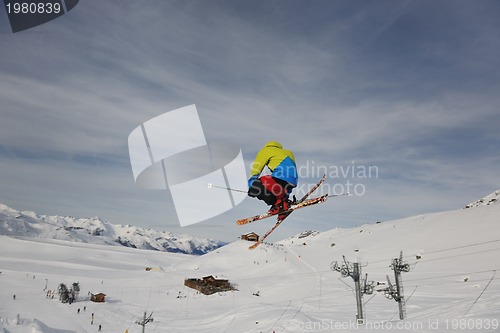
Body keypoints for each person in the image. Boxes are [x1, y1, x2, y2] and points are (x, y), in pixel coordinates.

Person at [247, 141, 298, 218]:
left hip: (280, 178)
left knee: (257, 184)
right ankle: (282, 205)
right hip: (293, 181)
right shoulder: (288, 152)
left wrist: (252, 186)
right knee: (276, 192)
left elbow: (256, 168)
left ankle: (278, 204)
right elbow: (289, 178)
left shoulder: (266, 150)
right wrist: (286, 197)